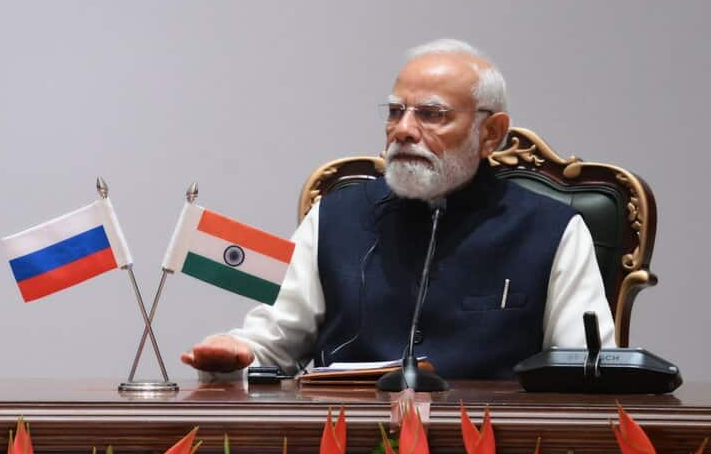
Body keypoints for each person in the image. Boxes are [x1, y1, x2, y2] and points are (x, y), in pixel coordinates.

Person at [181, 39, 614, 380]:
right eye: (395, 112)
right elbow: (273, 339)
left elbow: (585, 369)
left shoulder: (553, 230)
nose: (403, 130)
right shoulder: (334, 216)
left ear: (490, 133)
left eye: (431, 114)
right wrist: (236, 353)